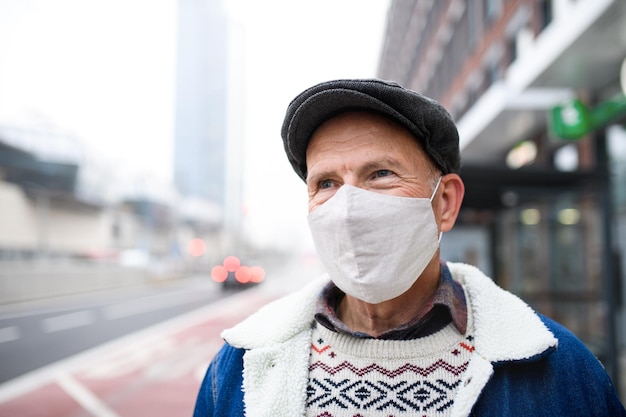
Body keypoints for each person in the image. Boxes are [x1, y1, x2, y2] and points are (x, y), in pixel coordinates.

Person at [193, 79, 625, 416]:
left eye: (380, 173)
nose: (348, 208)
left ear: (444, 203)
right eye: (326, 183)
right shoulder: (238, 367)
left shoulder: (560, 370)